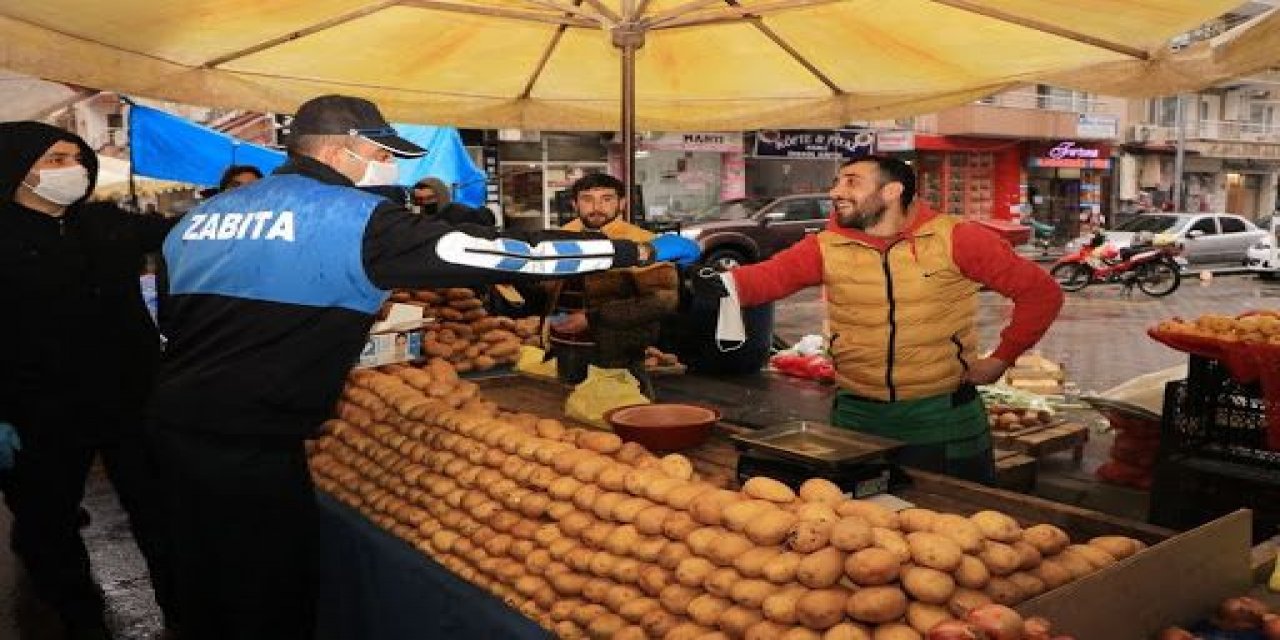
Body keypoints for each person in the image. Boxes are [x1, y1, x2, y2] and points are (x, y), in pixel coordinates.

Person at [146, 94, 699, 640]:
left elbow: (173, 321)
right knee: (270, 593)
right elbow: (511, 253)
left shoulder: (202, 217)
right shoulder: (355, 217)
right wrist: (639, 252)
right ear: (344, 151)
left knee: (201, 581)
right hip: (254, 441)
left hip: (172, 423)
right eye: (384, 154)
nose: (392, 167)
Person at [690, 156, 1063, 483]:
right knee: (864, 531)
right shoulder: (826, 246)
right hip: (857, 415)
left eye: (851, 182)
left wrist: (1001, 359)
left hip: (941, 417)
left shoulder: (957, 239)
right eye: (836, 182)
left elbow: (1041, 293)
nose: (836, 191)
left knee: (956, 523)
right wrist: (693, 278)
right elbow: (763, 280)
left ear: (891, 191)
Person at [0, 121, 178, 640]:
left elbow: (181, 233)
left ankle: (184, 615)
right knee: (47, 527)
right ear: (16, 168)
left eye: (76, 157)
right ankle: (82, 623)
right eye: (54, 160)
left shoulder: (105, 224)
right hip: (38, 411)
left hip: (131, 399)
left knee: (161, 516)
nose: (72, 169)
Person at [546, 174, 680, 398]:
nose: (596, 207)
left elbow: (662, 302)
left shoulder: (642, 244)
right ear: (574, 204)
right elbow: (547, 289)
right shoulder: (559, 238)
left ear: (622, 203)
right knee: (568, 426)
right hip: (563, 351)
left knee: (624, 421)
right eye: (587, 199)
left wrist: (592, 318)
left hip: (618, 357)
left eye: (606, 199)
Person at [411, 176, 496, 226]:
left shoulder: (459, 214)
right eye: (420, 200)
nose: (425, 202)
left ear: (441, 196)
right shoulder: (416, 221)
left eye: (430, 198)